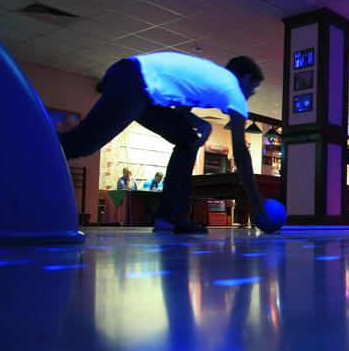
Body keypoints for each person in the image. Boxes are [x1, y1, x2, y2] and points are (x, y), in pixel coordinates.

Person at [59, 52, 269, 234]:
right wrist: (256, 199)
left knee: (187, 139)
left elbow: (182, 111)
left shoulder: (213, 80)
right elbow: (240, 152)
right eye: (255, 87)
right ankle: (39, 166)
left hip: (141, 89)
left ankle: (170, 216)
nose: (252, 93)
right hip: (134, 79)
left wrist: (202, 124)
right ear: (246, 78)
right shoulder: (232, 88)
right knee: (81, 144)